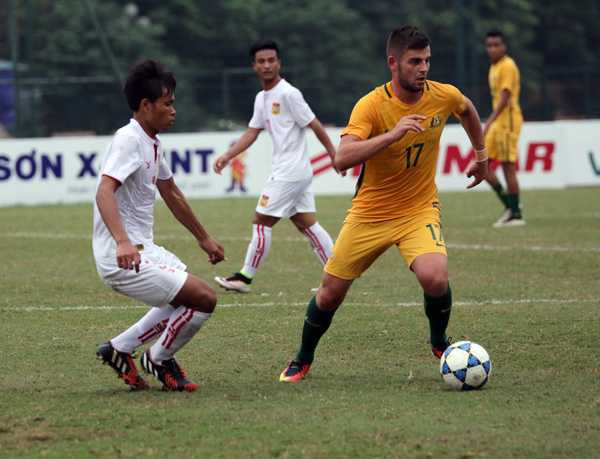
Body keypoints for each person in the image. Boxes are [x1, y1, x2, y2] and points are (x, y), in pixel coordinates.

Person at [279, 26, 488, 382]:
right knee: (329, 295)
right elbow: (342, 158)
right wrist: (393, 134)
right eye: (414, 62)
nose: (423, 69)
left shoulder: (443, 95)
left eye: (427, 61)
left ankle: (440, 343)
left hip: (418, 210)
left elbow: (466, 110)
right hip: (370, 214)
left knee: (435, 278)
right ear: (393, 63)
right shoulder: (372, 105)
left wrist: (481, 156)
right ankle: (303, 357)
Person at [93, 60, 225, 392]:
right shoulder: (128, 139)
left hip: (144, 249)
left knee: (186, 295)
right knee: (203, 298)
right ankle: (159, 358)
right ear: (145, 105)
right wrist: (122, 241)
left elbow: (171, 191)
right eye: (167, 103)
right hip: (121, 254)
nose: (173, 110)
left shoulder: (151, 141)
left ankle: (119, 348)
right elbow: (104, 190)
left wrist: (204, 238)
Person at [213, 40, 340, 293]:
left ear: (279, 63)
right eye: (261, 61)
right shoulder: (262, 98)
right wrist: (228, 155)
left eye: (271, 60)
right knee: (307, 224)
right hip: (293, 172)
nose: (267, 65)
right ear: (254, 66)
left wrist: (334, 156)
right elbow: (252, 132)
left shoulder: (289, 94)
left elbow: (314, 124)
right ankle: (338, 276)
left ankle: (244, 278)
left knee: (261, 221)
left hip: (290, 172)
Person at [483, 30, 525, 227]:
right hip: (498, 122)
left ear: (504, 46)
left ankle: (515, 214)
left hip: (507, 121)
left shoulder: (507, 65)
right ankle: (511, 205)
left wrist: (489, 120)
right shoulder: (494, 67)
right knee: (482, 166)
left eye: (496, 45)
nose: (492, 49)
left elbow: (505, 97)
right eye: (489, 45)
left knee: (508, 166)